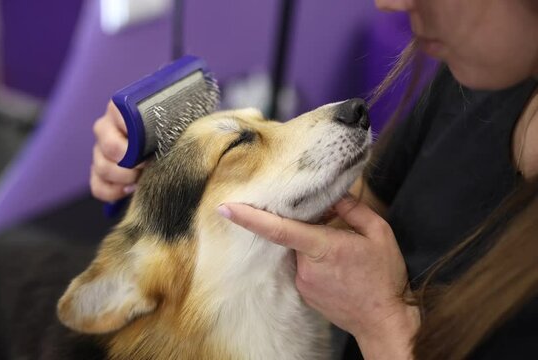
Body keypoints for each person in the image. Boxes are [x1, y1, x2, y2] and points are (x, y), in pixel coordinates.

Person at [90, 0, 538, 359]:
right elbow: (359, 209)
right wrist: (163, 183)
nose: (389, 3)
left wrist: (383, 322)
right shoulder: (475, 79)